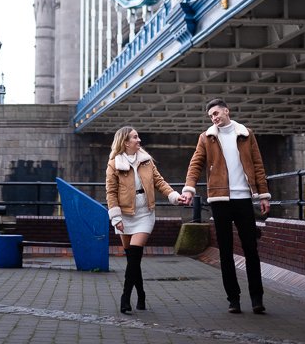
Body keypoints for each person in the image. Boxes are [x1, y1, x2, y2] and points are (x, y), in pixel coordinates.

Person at [181, 98, 271, 314]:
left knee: (251, 249)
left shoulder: (246, 134)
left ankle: (257, 298)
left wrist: (263, 195)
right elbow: (195, 164)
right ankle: (234, 299)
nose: (214, 117)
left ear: (226, 111)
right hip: (219, 201)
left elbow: (258, 165)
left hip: (243, 200)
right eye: (211, 116)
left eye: (216, 113)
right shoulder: (207, 137)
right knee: (225, 252)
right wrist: (188, 188)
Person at [106, 126, 184, 313]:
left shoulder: (147, 161)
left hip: (145, 214)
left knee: (134, 255)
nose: (139, 140)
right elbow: (111, 192)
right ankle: (141, 294)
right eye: (135, 137)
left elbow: (159, 182)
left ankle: (125, 298)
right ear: (125, 142)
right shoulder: (114, 164)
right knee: (133, 259)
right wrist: (115, 217)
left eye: (138, 137)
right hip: (124, 214)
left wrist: (174, 195)